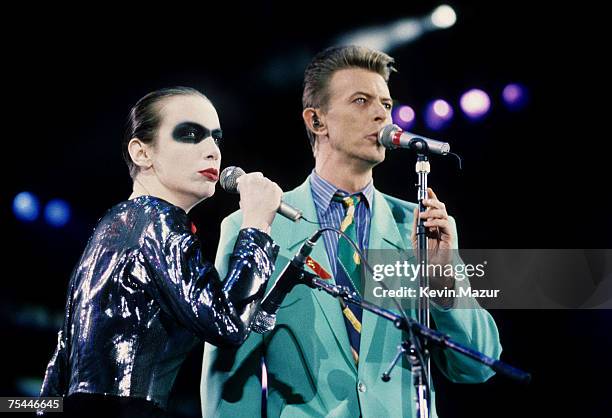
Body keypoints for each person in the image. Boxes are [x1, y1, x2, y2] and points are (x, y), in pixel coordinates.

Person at [201, 47, 502, 417]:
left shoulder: (420, 227)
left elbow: (478, 366)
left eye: (386, 104)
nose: (381, 114)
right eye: (361, 100)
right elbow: (230, 375)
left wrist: (441, 277)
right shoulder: (256, 223)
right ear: (316, 121)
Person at [39, 87, 283, 417]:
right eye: (191, 134)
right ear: (142, 153)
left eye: (216, 139)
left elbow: (58, 373)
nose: (212, 150)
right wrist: (255, 225)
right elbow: (225, 323)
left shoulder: (114, 225)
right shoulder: (158, 218)